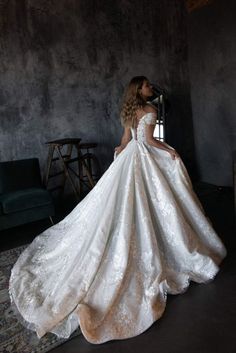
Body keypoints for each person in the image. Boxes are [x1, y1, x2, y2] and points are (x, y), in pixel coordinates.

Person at [9, 76, 227, 345]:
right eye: (147, 85)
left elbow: (126, 139)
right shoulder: (150, 109)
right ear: (139, 89)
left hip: (130, 156)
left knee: (126, 204)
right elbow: (150, 141)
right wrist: (171, 152)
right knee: (158, 198)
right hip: (144, 157)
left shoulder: (129, 111)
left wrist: (121, 150)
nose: (151, 88)